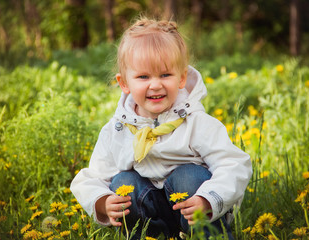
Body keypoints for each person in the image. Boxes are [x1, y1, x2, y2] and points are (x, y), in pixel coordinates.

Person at [70, 17, 252, 239]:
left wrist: (208, 199)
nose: (155, 84)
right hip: (147, 210)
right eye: (143, 76)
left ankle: (210, 236)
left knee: (189, 176)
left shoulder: (196, 123)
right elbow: (92, 177)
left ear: (182, 77)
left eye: (165, 74)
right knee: (123, 184)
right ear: (124, 83)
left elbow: (235, 164)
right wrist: (102, 202)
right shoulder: (117, 130)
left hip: (193, 209)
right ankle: (150, 236)